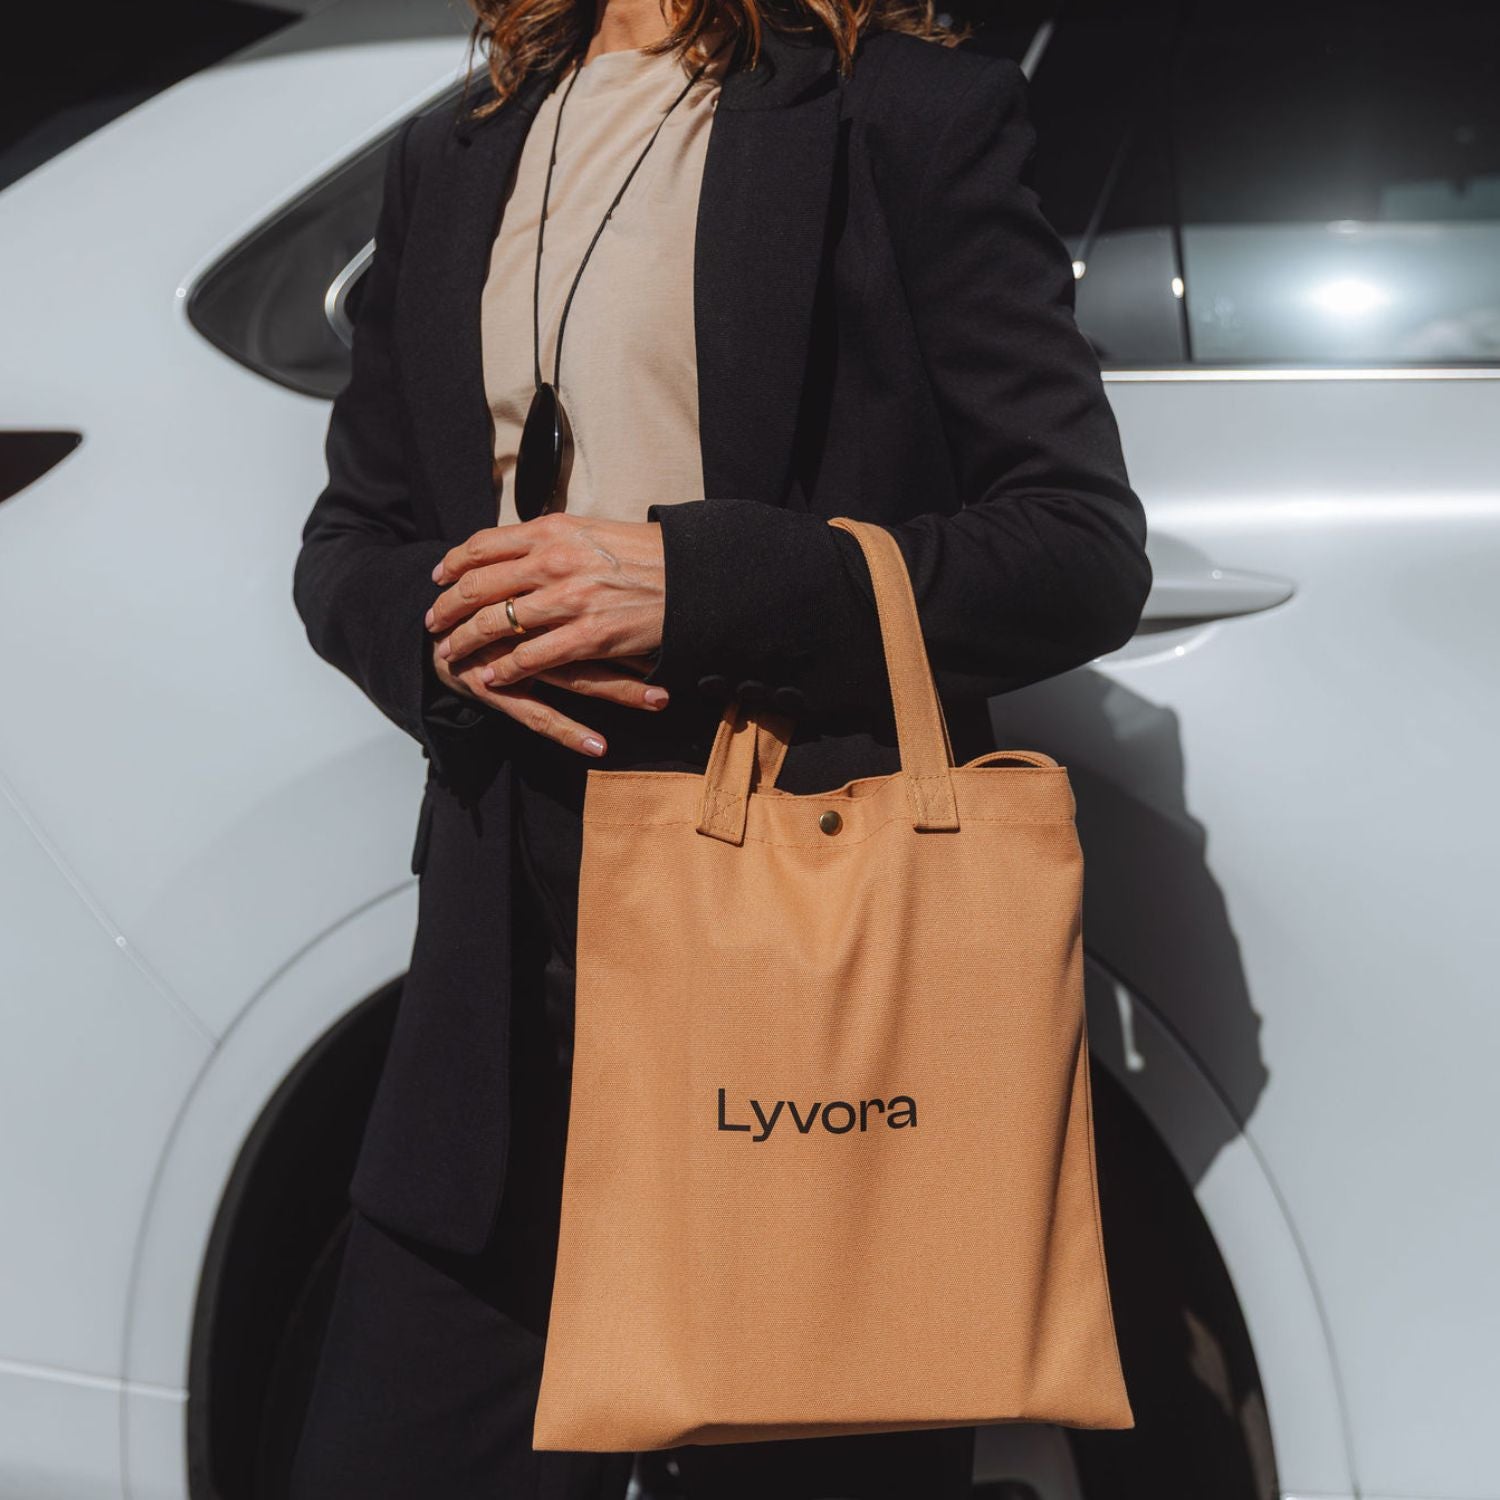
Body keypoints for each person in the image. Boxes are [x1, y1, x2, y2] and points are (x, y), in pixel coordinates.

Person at [287, 0, 1152, 1490]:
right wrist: (446, 635)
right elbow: (353, 534)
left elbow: (1077, 546)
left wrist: (702, 584)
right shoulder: (461, 144)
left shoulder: (905, 116)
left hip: (795, 988)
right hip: (506, 994)